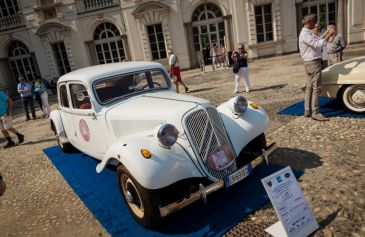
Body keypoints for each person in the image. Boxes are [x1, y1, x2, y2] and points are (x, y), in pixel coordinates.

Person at [299, 14, 334, 121]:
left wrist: (327, 32)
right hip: (313, 63)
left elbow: (318, 38)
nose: (315, 25)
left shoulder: (307, 32)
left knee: (309, 87)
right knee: (317, 87)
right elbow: (318, 44)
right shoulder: (305, 34)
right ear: (308, 23)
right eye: (314, 23)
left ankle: (307, 110)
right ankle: (315, 112)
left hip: (310, 62)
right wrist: (329, 35)